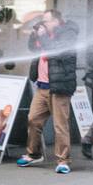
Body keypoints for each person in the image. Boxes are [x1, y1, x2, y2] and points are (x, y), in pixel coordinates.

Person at [17, 9, 79, 174]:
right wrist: (34, 35)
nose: (43, 23)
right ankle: (33, 153)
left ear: (56, 21)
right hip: (42, 86)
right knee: (33, 120)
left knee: (60, 125)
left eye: (47, 21)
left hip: (58, 87)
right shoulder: (45, 35)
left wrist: (43, 36)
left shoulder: (67, 34)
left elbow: (57, 53)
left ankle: (63, 160)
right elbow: (33, 49)